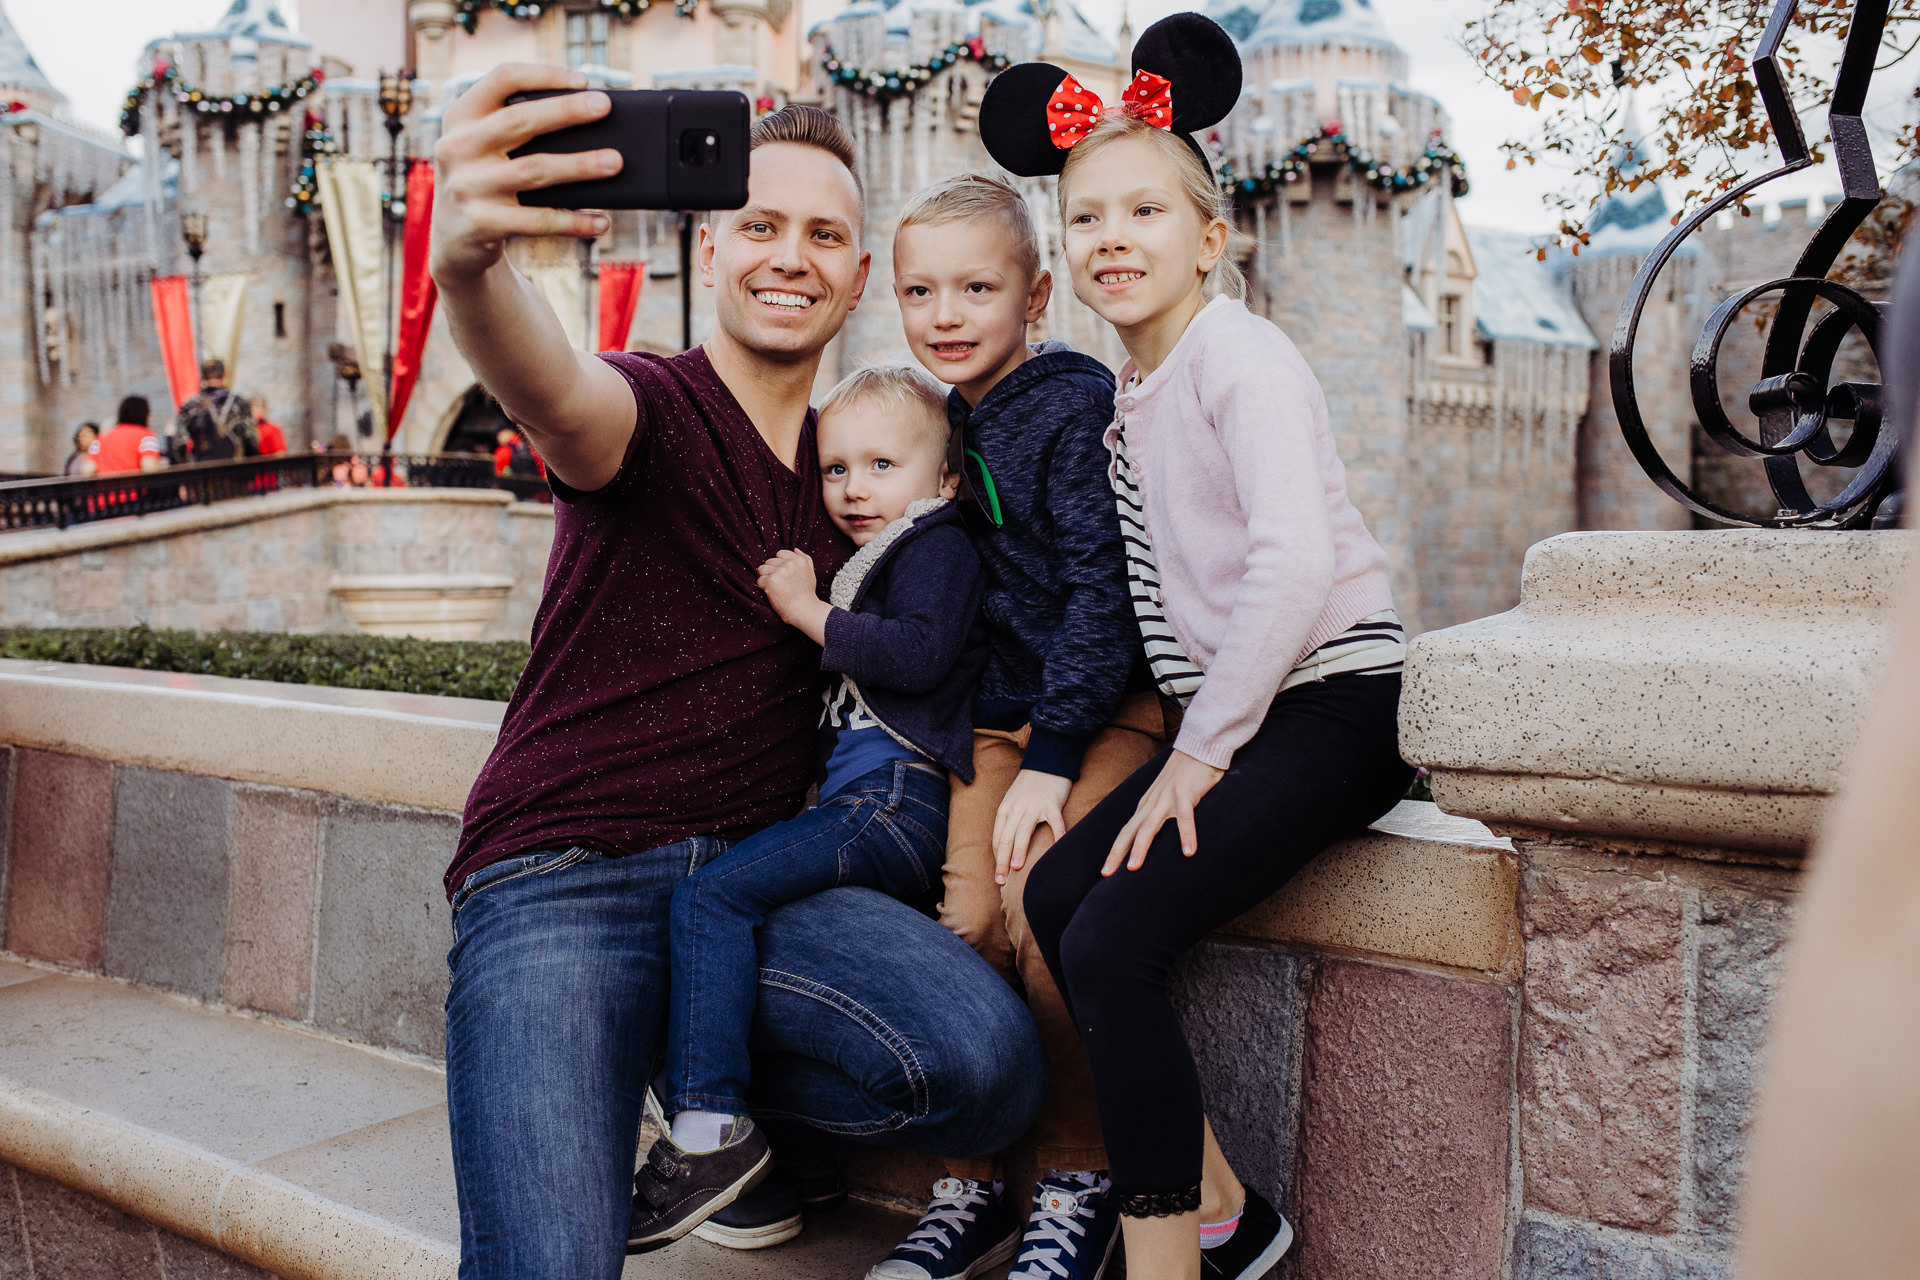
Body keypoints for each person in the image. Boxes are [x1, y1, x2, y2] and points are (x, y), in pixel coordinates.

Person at [429, 71, 1044, 1280]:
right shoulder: (651, 407)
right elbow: (553, 390)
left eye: (824, 235)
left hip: (759, 892)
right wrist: (468, 267)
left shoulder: (865, 490)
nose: (790, 255)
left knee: (986, 1063)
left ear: (860, 278)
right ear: (715, 247)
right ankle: (677, 1068)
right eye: (761, 224)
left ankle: (708, 1091)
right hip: (571, 872)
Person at [984, 17, 1415, 1280]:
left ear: (1210, 237)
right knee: (1059, 898)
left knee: (1117, 935)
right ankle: (1230, 1208)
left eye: (1144, 212)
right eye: (1086, 217)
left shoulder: (1243, 357)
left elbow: (1290, 567)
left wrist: (1199, 754)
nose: (1113, 236)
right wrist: (1067, 761)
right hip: (1248, 710)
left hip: (1336, 703)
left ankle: (1174, 1259)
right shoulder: (1134, 390)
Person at [867, 169, 1155, 1280]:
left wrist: (1055, 754)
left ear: (1034, 300)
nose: (945, 316)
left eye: (975, 289)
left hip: (1097, 713)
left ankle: (1079, 1179)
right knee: (964, 924)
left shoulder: (1071, 406)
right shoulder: (944, 416)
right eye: (920, 292)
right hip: (994, 721)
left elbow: (1107, 586)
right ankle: (972, 1181)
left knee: (1043, 911)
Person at [630, 364, 986, 1252]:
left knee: (710, 897)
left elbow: (920, 655)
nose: (855, 489)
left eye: (881, 466)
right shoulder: (881, 550)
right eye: (835, 470)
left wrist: (806, 610)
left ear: (943, 478)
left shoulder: (939, 543)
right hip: (865, 800)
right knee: (738, 928)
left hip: (899, 801)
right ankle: (802, 1157)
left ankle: (710, 1132)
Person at [174, 358, 258, 461]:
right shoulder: (239, 403)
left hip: (202, 471)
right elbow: (251, 441)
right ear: (224, 375)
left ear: (202, 377)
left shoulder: (190, 406)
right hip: (234, 470)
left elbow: (179, 446)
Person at [83, 397, 165, 476]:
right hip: (134, 489)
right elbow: (149, 466)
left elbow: (88, 470)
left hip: (105, 489)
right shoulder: (146, 436)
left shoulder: (101, 438)